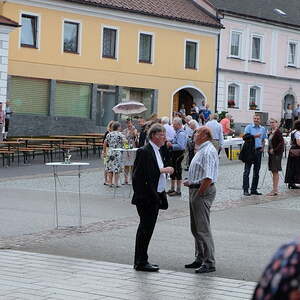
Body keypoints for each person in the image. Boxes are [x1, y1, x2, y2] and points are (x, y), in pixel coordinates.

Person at [132, 123, 174, 272]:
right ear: (154, 136)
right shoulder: (144, 151)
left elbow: (155, 170)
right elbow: (139, 175)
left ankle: (143, 260)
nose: (165, 138)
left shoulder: (159, 150)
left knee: (147, 229)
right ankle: (140, 262)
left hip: (155, 195)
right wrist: (162, 170)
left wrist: (164, 170)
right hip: (147, 198)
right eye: (162, 135)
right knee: (145, 229)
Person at [184, 126, 219, 274]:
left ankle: (209, 262)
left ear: (205, 135)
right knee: (196, 228)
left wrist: (199, 192)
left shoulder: (208, 151)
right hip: (196, 188)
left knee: (202, 228)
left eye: (197, 132)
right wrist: (191, 182)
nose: (194, 134)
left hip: (202, 191)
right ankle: (200, 257)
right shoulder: (202, 149)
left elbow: (208, 177)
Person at [243, 115, 267, 196]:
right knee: (247, 171)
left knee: (256, 171)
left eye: (258, 118)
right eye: (255, 118)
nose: (256, 120)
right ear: (253, 119)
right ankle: (246, 189)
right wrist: (254, 136)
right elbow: (245, 138)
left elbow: (263, 139)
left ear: (260, 120)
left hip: (258, 151)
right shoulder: (249, 127)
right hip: (250, 151)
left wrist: (263, 147)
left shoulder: (262, 129)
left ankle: (254, 189)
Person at [167, 117, 188, 197]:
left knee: (178, 172)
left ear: (179, 125)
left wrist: (171, 145)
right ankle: (172, 188)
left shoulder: (181, 133)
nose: (173, 126)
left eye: (174, 124)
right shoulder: (178, 132)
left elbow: (181, 146)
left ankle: (178, 190)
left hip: (178, 155)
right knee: (173, 171)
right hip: (175, 155)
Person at [102, 122, 124, 187]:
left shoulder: (109, 134)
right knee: (116, 168)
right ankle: (116, 183)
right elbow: (125, 142)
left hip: (110, 151)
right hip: (117, 152)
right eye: (120, 127)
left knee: (110, 168)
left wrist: (104, 151)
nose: (120, 128)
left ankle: (110, 183)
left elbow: (105, 143)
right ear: (118, 127)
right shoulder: (120, 134)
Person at [266, 118, 284, 196]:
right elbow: (270, 142)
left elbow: (281, 143)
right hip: (272, 154)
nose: (272, 124)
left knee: (275, 171)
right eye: (270, 122)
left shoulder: (278, 132)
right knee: (273, 171)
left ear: (277, 123)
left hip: (276, 154)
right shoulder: (271, 132)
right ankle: (274, 189)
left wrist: (274, 150)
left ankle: (275, 190)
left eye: (273, 122)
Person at [285, 120, 300, 189]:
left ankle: (291, 182)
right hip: (297, 151)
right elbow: (299, 143)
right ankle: (293, 182)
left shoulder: (293, 132)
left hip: (292, 151)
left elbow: (291, 142)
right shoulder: (298, 133)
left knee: (291, 167)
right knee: (296, 167)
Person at [122, 119, 138, 184]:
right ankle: (125, 179)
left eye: (130, 123)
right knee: (126, 164)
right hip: (126, 147)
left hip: (132, 148)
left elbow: (136, 137)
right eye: (128, 123)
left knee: (132, 164)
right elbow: (123, 138)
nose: (129, 124)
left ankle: (131, 178)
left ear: (132, 123)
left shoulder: (135, 130)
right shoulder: (125, 131)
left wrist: (133, 133)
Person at [103, 120, 115, 185]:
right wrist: (104, 152)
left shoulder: (114, 133)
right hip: (108, 149)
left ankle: (110, 180)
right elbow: (104, 143)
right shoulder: (107, 133)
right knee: (106, 165)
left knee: (111, 166)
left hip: (112, 150)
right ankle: (105, 180)